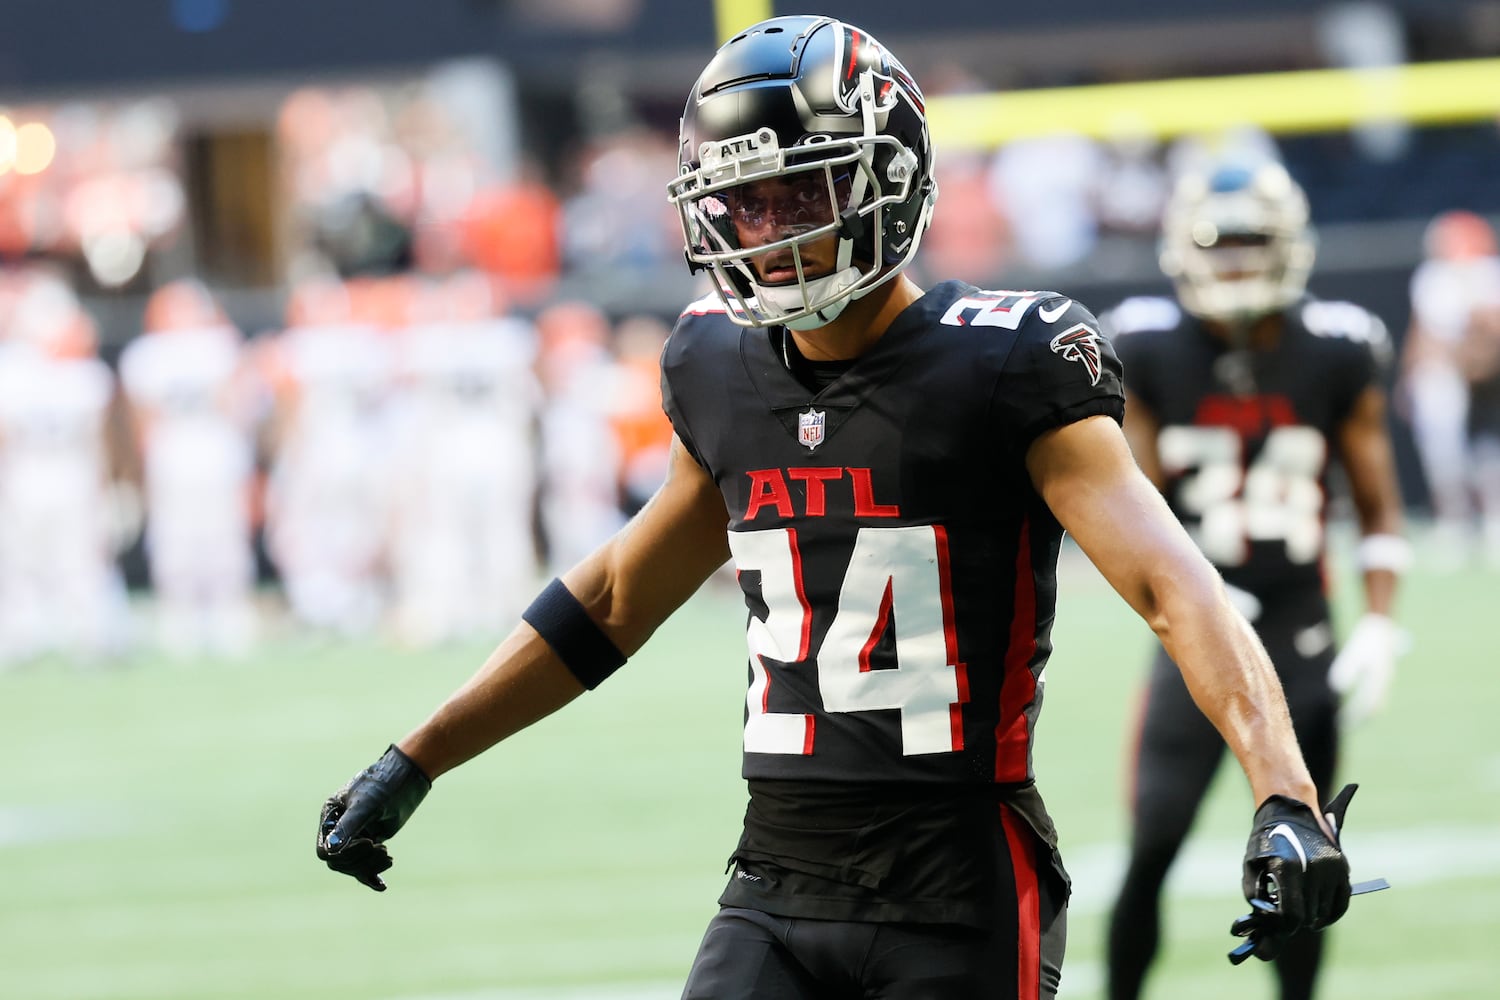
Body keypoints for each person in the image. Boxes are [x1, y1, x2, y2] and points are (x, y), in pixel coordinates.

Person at [316, 17, 1359, 999]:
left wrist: (1284, 792)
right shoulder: (716, 367)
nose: (766, 233)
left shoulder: (1005, 359)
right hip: (776, 879)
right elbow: (616, 596)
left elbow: (1174, 586)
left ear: (887, 182)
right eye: (745, 202)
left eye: (799, 193)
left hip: (957, 881)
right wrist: (415, 759)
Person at [1101, 160, 1406, 1000]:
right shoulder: (1149, 347)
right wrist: (1188, 590)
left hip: (1303, 631)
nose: (1234, 262)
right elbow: (1132, 504)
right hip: (1197, 632)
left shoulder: (1339, 348)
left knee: (1308, 866)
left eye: (1251, 243)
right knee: (1152, 846)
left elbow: (1378, 508)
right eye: (1218, 243)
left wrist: (1380, 623)